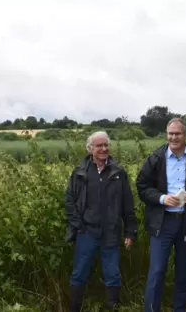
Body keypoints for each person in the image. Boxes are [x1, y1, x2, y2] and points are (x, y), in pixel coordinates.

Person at [135, 118, 186, 312]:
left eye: (177, 134)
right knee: (157, 271)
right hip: (162, 223)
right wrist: (162, 198)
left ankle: (180, 309)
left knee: (183, 273)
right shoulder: (155, 158)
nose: (173, 137)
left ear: (185, 135)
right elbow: (142, 187)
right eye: (170, 134)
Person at [64, 131, 138, 312]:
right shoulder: (80, 172)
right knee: (79, 274)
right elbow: (69, 200)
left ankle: (111, 307)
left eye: (106, 145)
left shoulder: (118, 173)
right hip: (86, 232)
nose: (104, 149)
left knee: (112, 275)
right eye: (99, 146)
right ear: (90, 149)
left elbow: (127, 203)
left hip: (111, 233)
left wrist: (130, 231)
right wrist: (78, 226)